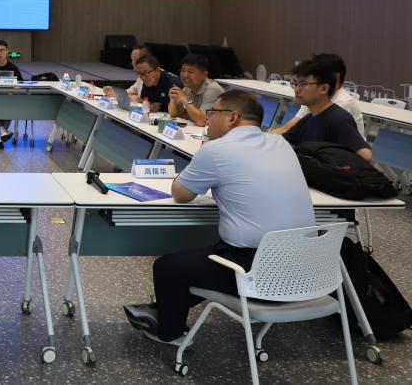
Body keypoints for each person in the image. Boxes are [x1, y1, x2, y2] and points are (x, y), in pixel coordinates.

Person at [123, 90, 315, 344]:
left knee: (168, 267)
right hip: (307, 269)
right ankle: (164, 309)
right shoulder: (281, 144)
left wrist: (197, 163)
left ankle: (169, 333)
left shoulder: (216, 150)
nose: (207, 119)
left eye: (213, 113)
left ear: (232, 117)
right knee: (212, 252)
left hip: (258, 273)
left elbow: (180, 194)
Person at [281, 57, 372, 161]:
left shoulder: (338, 120)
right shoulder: (308, 119)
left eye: (303, 84)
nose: (296, 90)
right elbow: (283, 140)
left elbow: (366, 155)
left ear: (323, 88)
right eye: (295, 84)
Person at [273, 53, 365, 138]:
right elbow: (288, 128)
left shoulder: (342, 105)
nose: (296, 90)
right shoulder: (313, 98)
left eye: (304, 84)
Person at [167, 54, 224, 126]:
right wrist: (172, 99)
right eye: (183, 70)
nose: (185, 75)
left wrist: (184, 100)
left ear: (204, 74)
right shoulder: (188, 88)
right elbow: (173, 114)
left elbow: (202, 121)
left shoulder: (212, 89)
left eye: (190, 72)